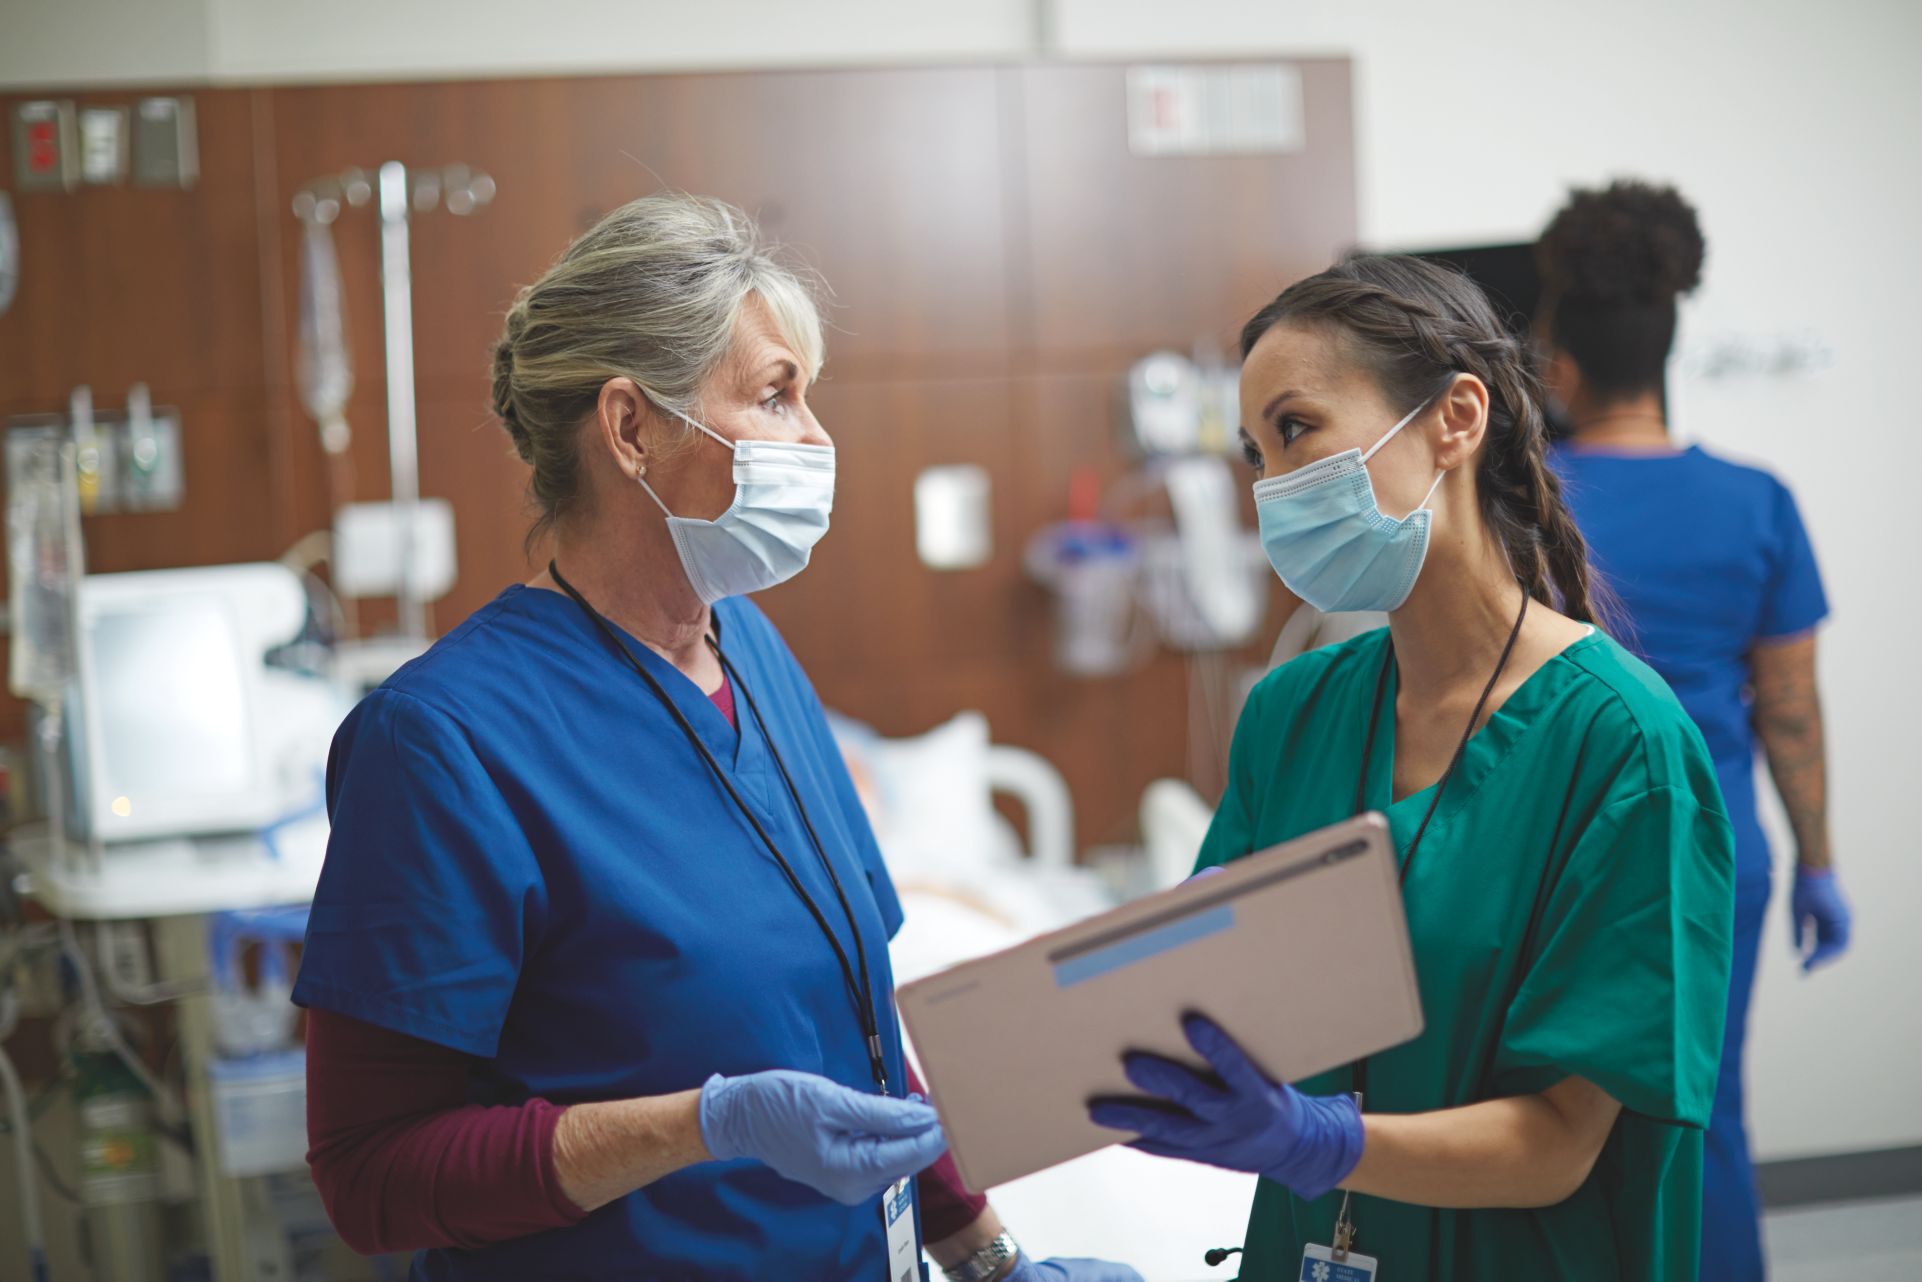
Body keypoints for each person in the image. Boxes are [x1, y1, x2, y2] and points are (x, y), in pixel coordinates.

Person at [294, 193, 1140, 1282]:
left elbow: (860, 1039)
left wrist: (988, 1260)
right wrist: (702, 1124)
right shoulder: (442, 743)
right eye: (776, 395)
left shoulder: (753, 657)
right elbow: (372, 1177)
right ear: (631, 429)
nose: (818, 438)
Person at [1085, 254, 1735, 1279]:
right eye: (1254, 454)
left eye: (1296, 429)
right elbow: (1223, 999)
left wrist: (1324, 1142)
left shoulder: (1620, 745)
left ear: (1455, 419)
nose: (1272, 486)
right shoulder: (1292, 713)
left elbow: (1560, 1144)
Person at [1536, 179, 1852, 1281]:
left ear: (1557, 365)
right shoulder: (1757, 501)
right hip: (1716, 859)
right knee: (1705, 1113)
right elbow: (1790, 712)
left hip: (1560, 857)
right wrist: (1817, 863)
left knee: (1552, 1122)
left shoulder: (1522, 503)